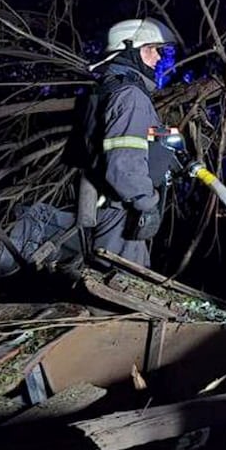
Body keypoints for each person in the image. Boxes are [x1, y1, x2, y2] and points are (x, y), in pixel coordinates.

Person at [78, 17, 178, 268]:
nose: (157, 58)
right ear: (130, 50)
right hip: (121, 214)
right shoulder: (130, 96)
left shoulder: (110, 90)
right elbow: (124, 162)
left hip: (108, 208)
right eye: (151, 49)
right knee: (120, 288)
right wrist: (146, 202)